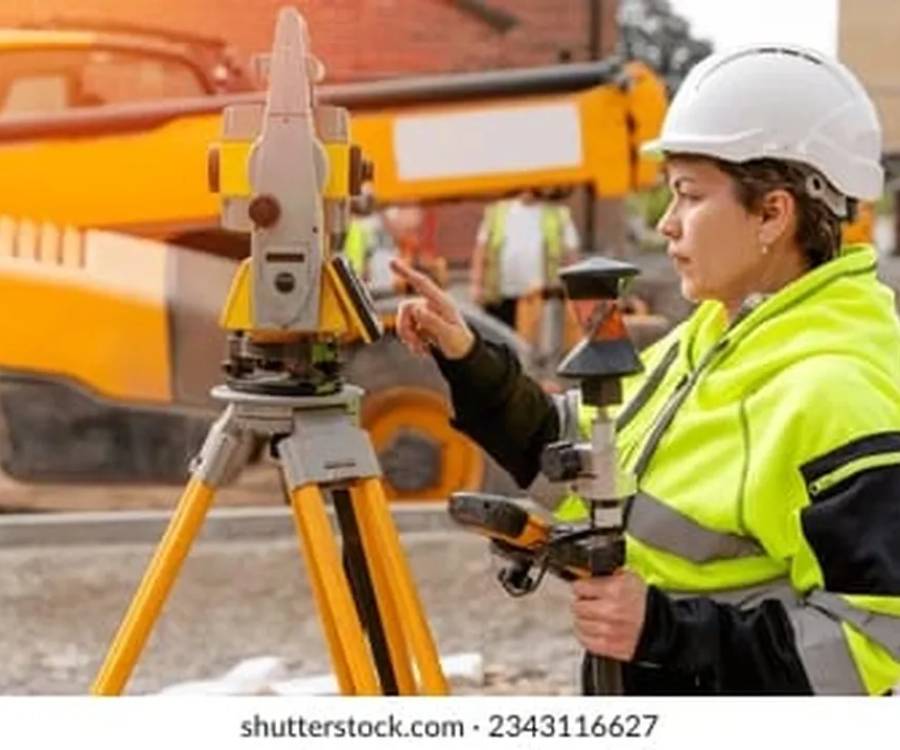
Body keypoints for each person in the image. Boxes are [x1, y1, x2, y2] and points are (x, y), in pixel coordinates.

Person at [390, 43, 900, 695]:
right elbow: (570, 452)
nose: (665, 225)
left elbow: (873, 645)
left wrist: (661, 631)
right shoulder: (716, 337)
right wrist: (467, 357)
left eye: (688, 196)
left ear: (773, 212)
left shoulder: (834, 391)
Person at [470, 189, 580, 328]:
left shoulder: (557, 214)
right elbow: (481, 250)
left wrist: (574, 290)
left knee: (534, 346)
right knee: (501, 341)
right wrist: (476, 285)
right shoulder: (497, 212)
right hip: (501, 296)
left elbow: (571, 254)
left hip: (541, 297)